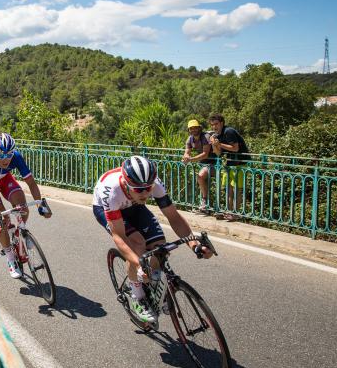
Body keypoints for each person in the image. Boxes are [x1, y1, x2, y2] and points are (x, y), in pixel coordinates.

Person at [92, 155, 213, 323]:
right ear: (127, 184)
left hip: (134, 206)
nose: (146, 193)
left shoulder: (153, 184)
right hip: (108, 209)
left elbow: (174, 217)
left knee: (160, 246)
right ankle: (137, 296)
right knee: (137, 244)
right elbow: (119, 236)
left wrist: (194, 245)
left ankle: (155, 286)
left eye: (149, 188)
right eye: (140, 189)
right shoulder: (111, 190)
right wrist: (138, 264)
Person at [0, 133, 51, 279]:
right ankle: (11, 259)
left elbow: (31, 183)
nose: (6, 159)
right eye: (1, 155)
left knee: (22, 207)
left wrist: (41, 205)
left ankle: (19, 233)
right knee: (2, 222)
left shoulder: (16, 157)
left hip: (5, 180)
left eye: (9, 154)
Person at [208, 114, 249, 222]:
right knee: (228, 189)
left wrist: (219, 144)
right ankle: (229, 211)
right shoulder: (217, 135)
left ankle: (236, 213)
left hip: (240, 162)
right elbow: (218, 153)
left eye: (216, 124)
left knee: (237, 189)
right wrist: (214, 144)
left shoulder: (228, 131)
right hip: (229, 163)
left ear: (222, 123)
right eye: (212, 125)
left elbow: (235, 148)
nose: (214, 127)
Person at [181, 119, 214, 212]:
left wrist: (191, 159)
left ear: (199, 128)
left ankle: (205, 201)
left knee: (200, 177)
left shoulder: (205, 137)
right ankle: (203, 204)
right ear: (189, 130)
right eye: (191, 128)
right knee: (198, 178)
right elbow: (187, 152)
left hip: (214, 163)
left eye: (195, 128)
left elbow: (205, 154)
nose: (193, 130)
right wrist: (186, 157)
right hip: (203, 164)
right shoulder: (190, 138)